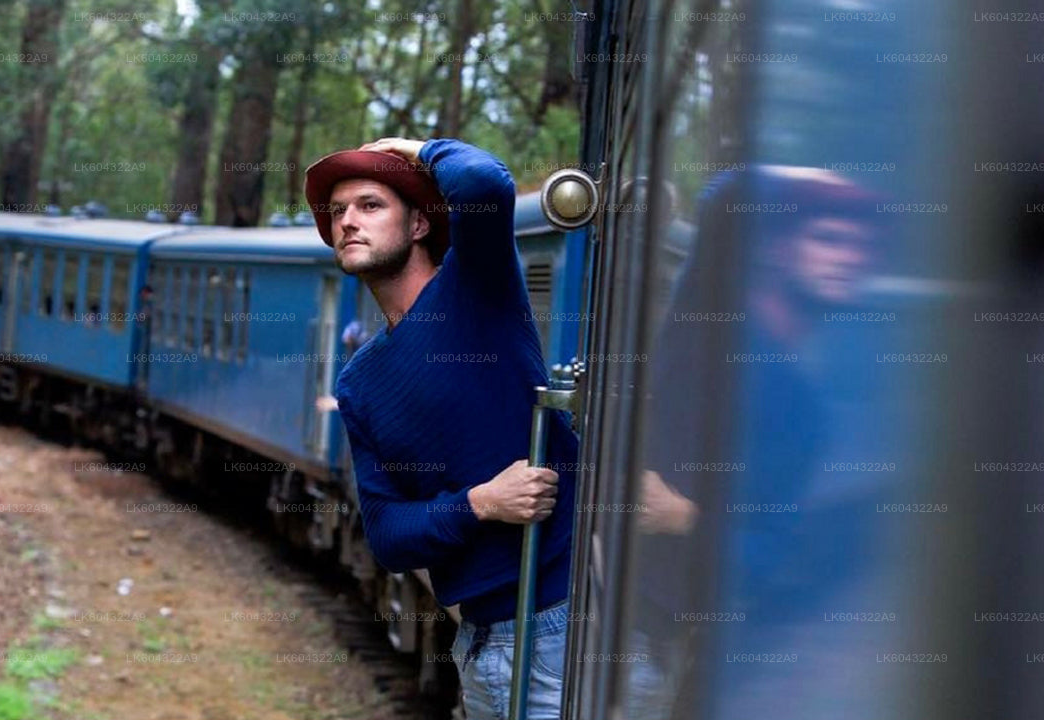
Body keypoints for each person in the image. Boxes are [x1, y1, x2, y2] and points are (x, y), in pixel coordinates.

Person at [304, 137, 578, 719]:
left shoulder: (475, 288)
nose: (348, 220)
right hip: (480, 644)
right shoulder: (359, 382)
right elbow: (387, 535)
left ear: (421, 222)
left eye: (370, 205)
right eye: (337, 212)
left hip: (561, 626)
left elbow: (484, 183)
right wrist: (479, 503)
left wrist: (416, 147)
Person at [625, 167, 881, 719]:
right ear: (775, 250)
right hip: (648, 636)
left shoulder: (806, 389)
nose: (848, 258)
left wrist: (687, 517)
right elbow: (723, 205)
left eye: (861, 245)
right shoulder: (710, 341)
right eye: (828, 239)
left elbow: (782, 554)